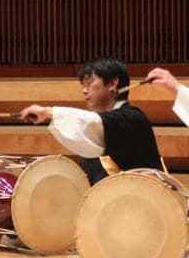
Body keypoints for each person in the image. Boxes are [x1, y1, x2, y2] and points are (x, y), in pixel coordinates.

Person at [20, 57, 162, 185]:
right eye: (83, 86)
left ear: (113, 83)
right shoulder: (96, 137)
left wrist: (48, 112)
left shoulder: (132, 118)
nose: (84, 91)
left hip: (147, 207)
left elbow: (96, 122)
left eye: (89, 83)